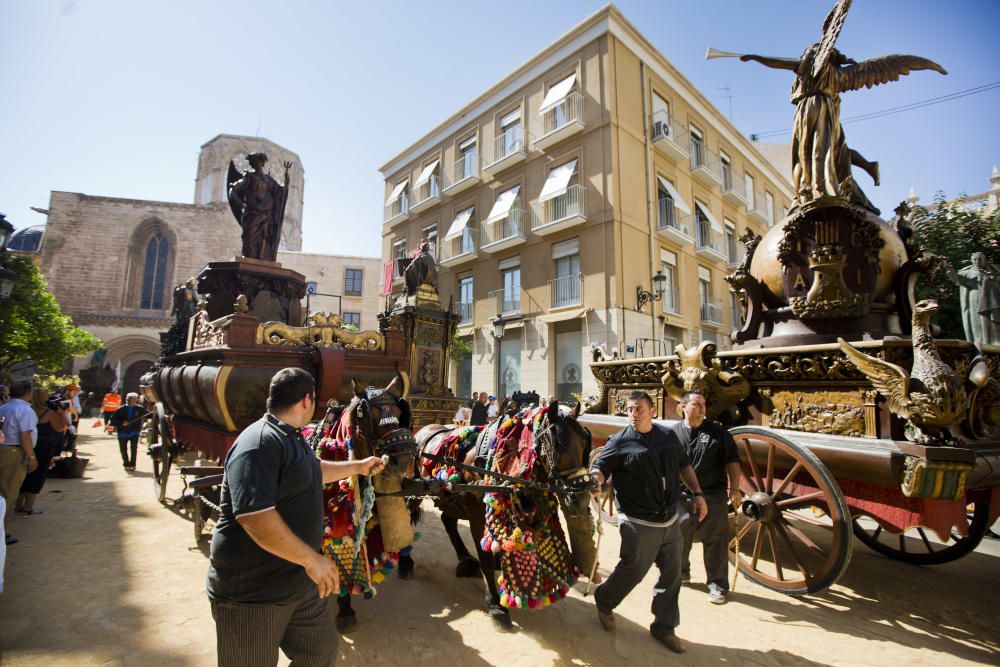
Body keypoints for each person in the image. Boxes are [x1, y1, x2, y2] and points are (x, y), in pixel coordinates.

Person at [207, 368, 385, 666]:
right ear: (306, 400)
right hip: (254, 594)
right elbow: (254, 518)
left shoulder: (291, 437)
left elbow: (312, 469)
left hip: (299, 586)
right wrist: (312, 560)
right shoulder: (258, 443)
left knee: (321, 652)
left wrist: (358, 466)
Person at [589, 390, 708, 654]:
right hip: (638, 522)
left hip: (670, 520)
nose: (633, 414)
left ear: (652, 411)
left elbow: (684, 465)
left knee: (672, 575)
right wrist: (595, 478)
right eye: (630, 409)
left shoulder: (668, 437)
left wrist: (698, 494)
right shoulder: (619, 441)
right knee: (633, 571)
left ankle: (664, 627)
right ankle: (604, 600)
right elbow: (601, 467)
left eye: (639, 409)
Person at [672, 391, 743, 604]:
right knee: (679, 536)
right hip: (682, 496)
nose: (702, 409)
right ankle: (681, 572)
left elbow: (732, 460)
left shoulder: (718, 432)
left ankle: (717, 584)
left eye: (704, 404)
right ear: (684, 407)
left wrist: (736, 489)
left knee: (716, 541)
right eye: (697, 404)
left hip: (713, 494)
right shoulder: (671, 433)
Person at [16, 389, 69, 516]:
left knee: (24, 474)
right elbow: (60, 427)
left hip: (27, 445)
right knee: (38, 474)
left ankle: (18, 505)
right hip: (44, 447)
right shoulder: (48, 413)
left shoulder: (27, 411)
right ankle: (29, 507)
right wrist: (62, 414)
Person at [0, 379, 39, 546]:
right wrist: (31, 457)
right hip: (14, 451)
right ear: (28, 393)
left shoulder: (4, 407)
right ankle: (2, 532)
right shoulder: (24, 410)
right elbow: (25, 435)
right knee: (9, 493)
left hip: (3, 449)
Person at [946, 252, 1000, 346]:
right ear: (972, 260)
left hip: (992, 300)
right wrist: (950, 270)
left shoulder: (993, 269)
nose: (977, 261)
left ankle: (994, 341)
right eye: (975, 259)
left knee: (991, 320)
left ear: (984, 260)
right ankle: (979, 342)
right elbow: (957, 279)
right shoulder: (967, 272)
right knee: (977, 321)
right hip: (975, 298)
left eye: (980, 259)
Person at [110, 393, 146, 471]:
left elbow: (148, 415)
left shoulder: (140, 409)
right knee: (123, 449)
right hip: (123, 432)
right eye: (131, 400)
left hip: (134, 432)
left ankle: (132, 464)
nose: (132, 402)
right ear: (127, 400)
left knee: (134, 449)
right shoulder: (120, 409)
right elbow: (112, 421)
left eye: (134, 400)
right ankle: (126, 464)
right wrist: (122, 423)